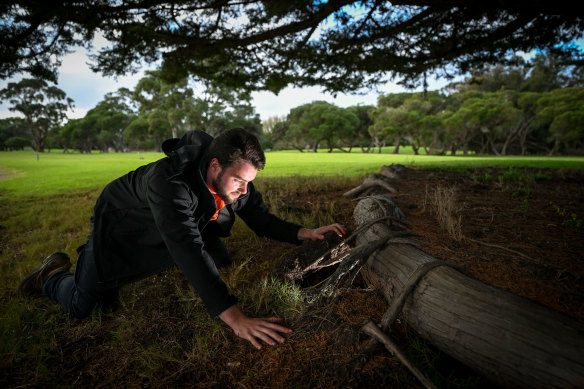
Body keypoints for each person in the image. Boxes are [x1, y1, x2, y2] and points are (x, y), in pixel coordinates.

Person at [17, 128, 345, 350]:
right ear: (215, 166)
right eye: (239, 180)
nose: (244, 189)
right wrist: (236, 318)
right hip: (122, 226)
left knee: (217, 257)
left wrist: (305, 233)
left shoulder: (234, 180)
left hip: (174, 226)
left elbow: (260, 218)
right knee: (87, 307)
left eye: (249, 181)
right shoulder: (169, 183)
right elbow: (186, 246)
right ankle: (52, 275)